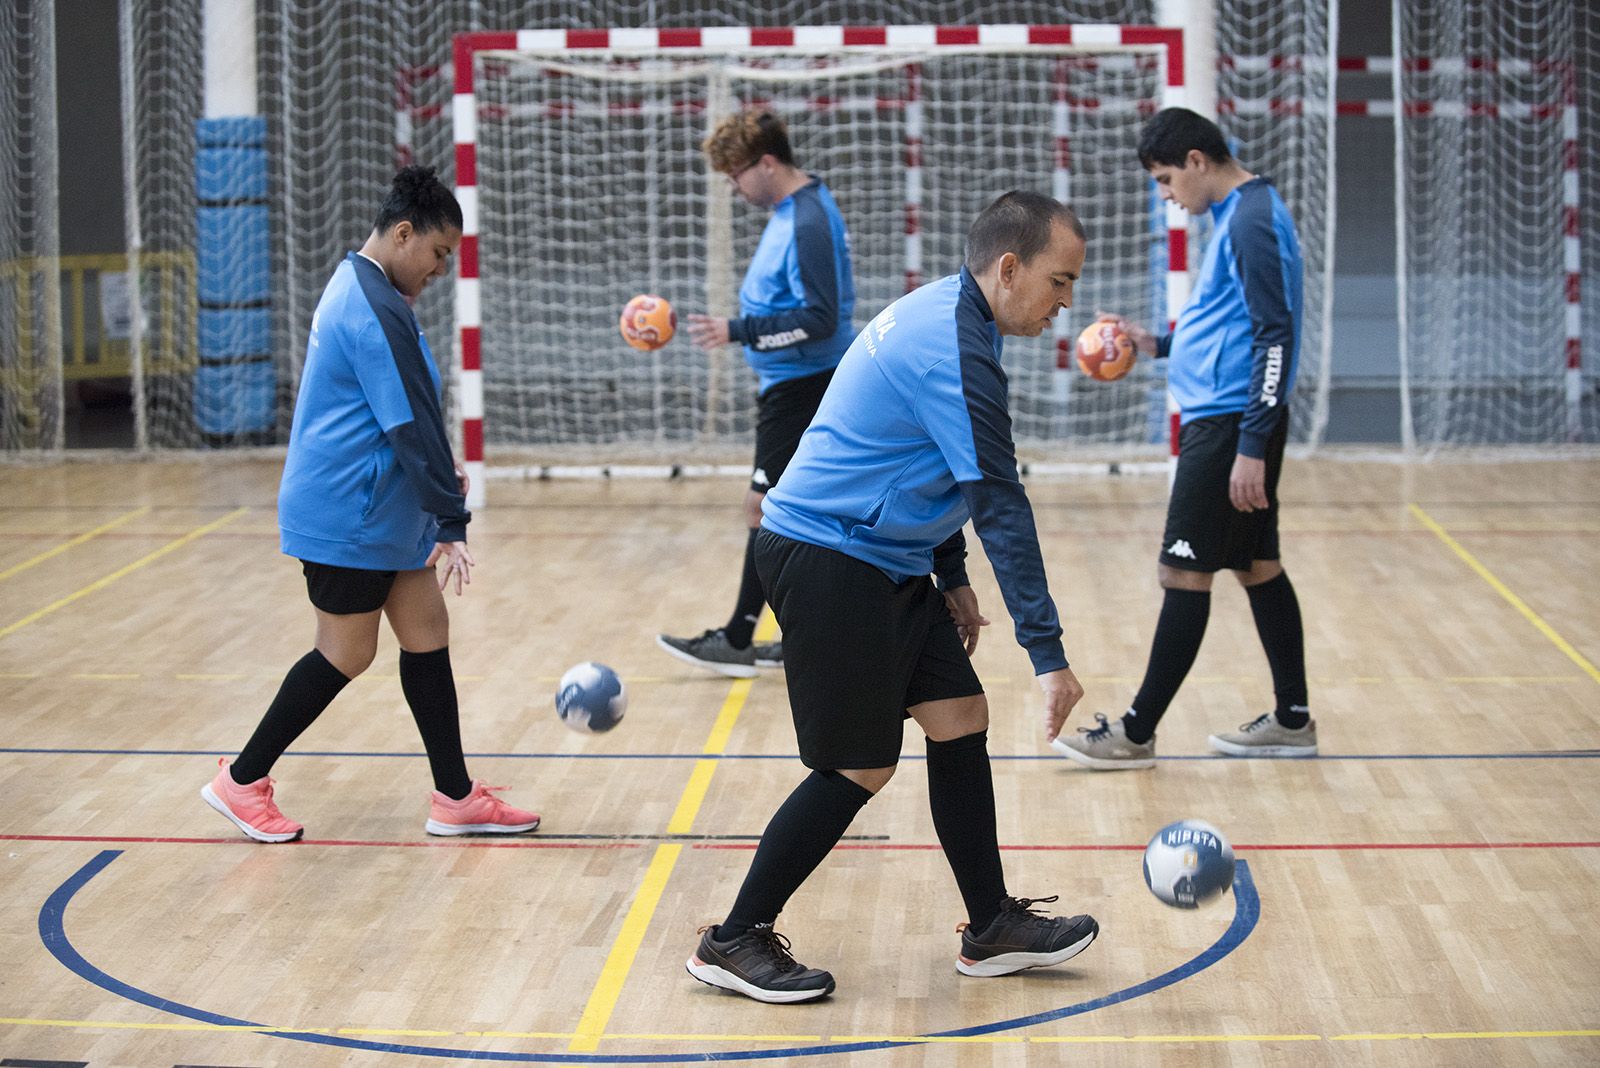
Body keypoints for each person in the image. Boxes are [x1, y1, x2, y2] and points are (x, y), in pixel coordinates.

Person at [685, 191, 1097, 1004]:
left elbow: (917, 458)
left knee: (959, 718)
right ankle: (732, 940)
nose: (1066, 303)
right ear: (1008, 269)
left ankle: (991, 930)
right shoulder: (952, 346)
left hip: (881, 556)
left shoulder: (952, 317)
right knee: (859, 765)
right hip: (829, 557)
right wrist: (1048, 657)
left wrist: (949, 576)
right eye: (1059, 281)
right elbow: (1000, 505)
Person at [200, 165, 540, 841]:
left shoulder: (368, 286)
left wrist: (437, 480)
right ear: (405, 233)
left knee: (426, 632)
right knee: (346, 652)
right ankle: (240, 781)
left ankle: (454, 797)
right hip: (345, 514)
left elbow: (404, 412)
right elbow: (406, 423)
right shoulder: (374, 307)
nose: (442, 268)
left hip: (381, 507)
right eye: (440, 253)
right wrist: (448, 515)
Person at [1054, 107, 1315, 771]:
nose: (1166, 196)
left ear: (1198, 160)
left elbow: (1275, 337)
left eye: (1168, 180)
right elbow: (1231, 319)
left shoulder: (1253, 219)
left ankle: (1135, 733)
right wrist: (1159, 343)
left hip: (1231, 425)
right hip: (1229, 419)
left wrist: (1252, 443)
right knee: (1258, 566)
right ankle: (1292, 719)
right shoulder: (1238, 214)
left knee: (1182, 570)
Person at [656, 109, 856, 678]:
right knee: (794, 514)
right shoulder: (789, 211)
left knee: (764, 508)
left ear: (768, 162)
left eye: (737, 173)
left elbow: (819, 319)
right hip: (786, 386)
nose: (734, 186)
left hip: (804, 386)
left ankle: (741, 637)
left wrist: (736, 330)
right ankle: (801, 637)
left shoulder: (809, 220)